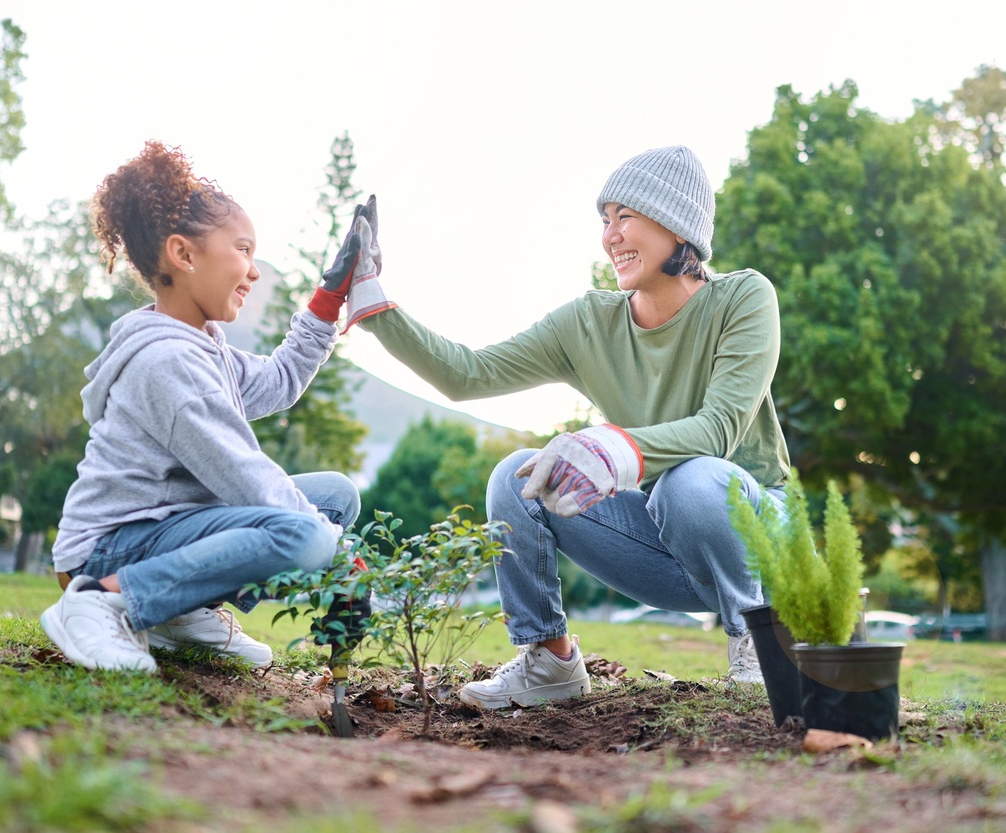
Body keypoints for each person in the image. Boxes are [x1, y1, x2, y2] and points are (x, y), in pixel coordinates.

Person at [344, 145, 791, 708]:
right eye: (605, 221)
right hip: (664, 541)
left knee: (692, 481)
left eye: (624, 217)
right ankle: (549, 661)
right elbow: (468, 373)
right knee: (517, 477)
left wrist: (610, 448)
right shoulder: (589, 324)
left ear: (676, 226)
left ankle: (762, 642)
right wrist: (374, 302)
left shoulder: (744, 297)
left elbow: (719, 428)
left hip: (757, 539)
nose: (610, 236)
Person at [40, 141, 370, 673]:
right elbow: (245, 476)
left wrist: (328, 300)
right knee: (309, 532)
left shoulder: (204, 345)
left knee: (333, 497)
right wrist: (337, 553)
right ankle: (99, 603)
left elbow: (280, 381)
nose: (254, 270)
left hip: (163, 529)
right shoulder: (168, 363)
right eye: (243, 250)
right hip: (106, 553)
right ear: (184, 255)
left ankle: (178, 612)